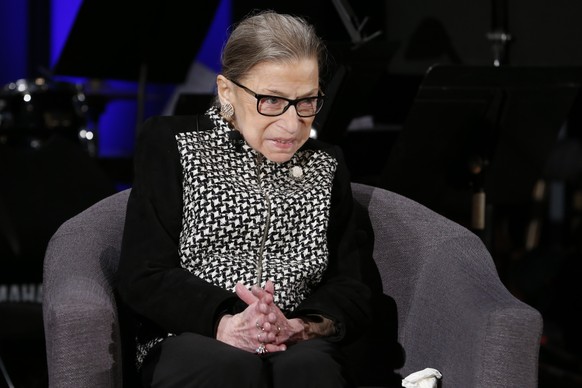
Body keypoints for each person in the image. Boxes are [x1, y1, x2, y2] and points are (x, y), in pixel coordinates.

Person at [117, 10, 402, 388]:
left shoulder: (326, 165)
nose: (291, 124)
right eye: (271, 100)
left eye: (307, 102)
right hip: (189, 334)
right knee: (227, 369)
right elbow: (144, 274)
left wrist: (299, 326)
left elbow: (351, 286)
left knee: (311, 371)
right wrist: (225, 321)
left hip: (295, 340)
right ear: (226, 91)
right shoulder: (173, 145)